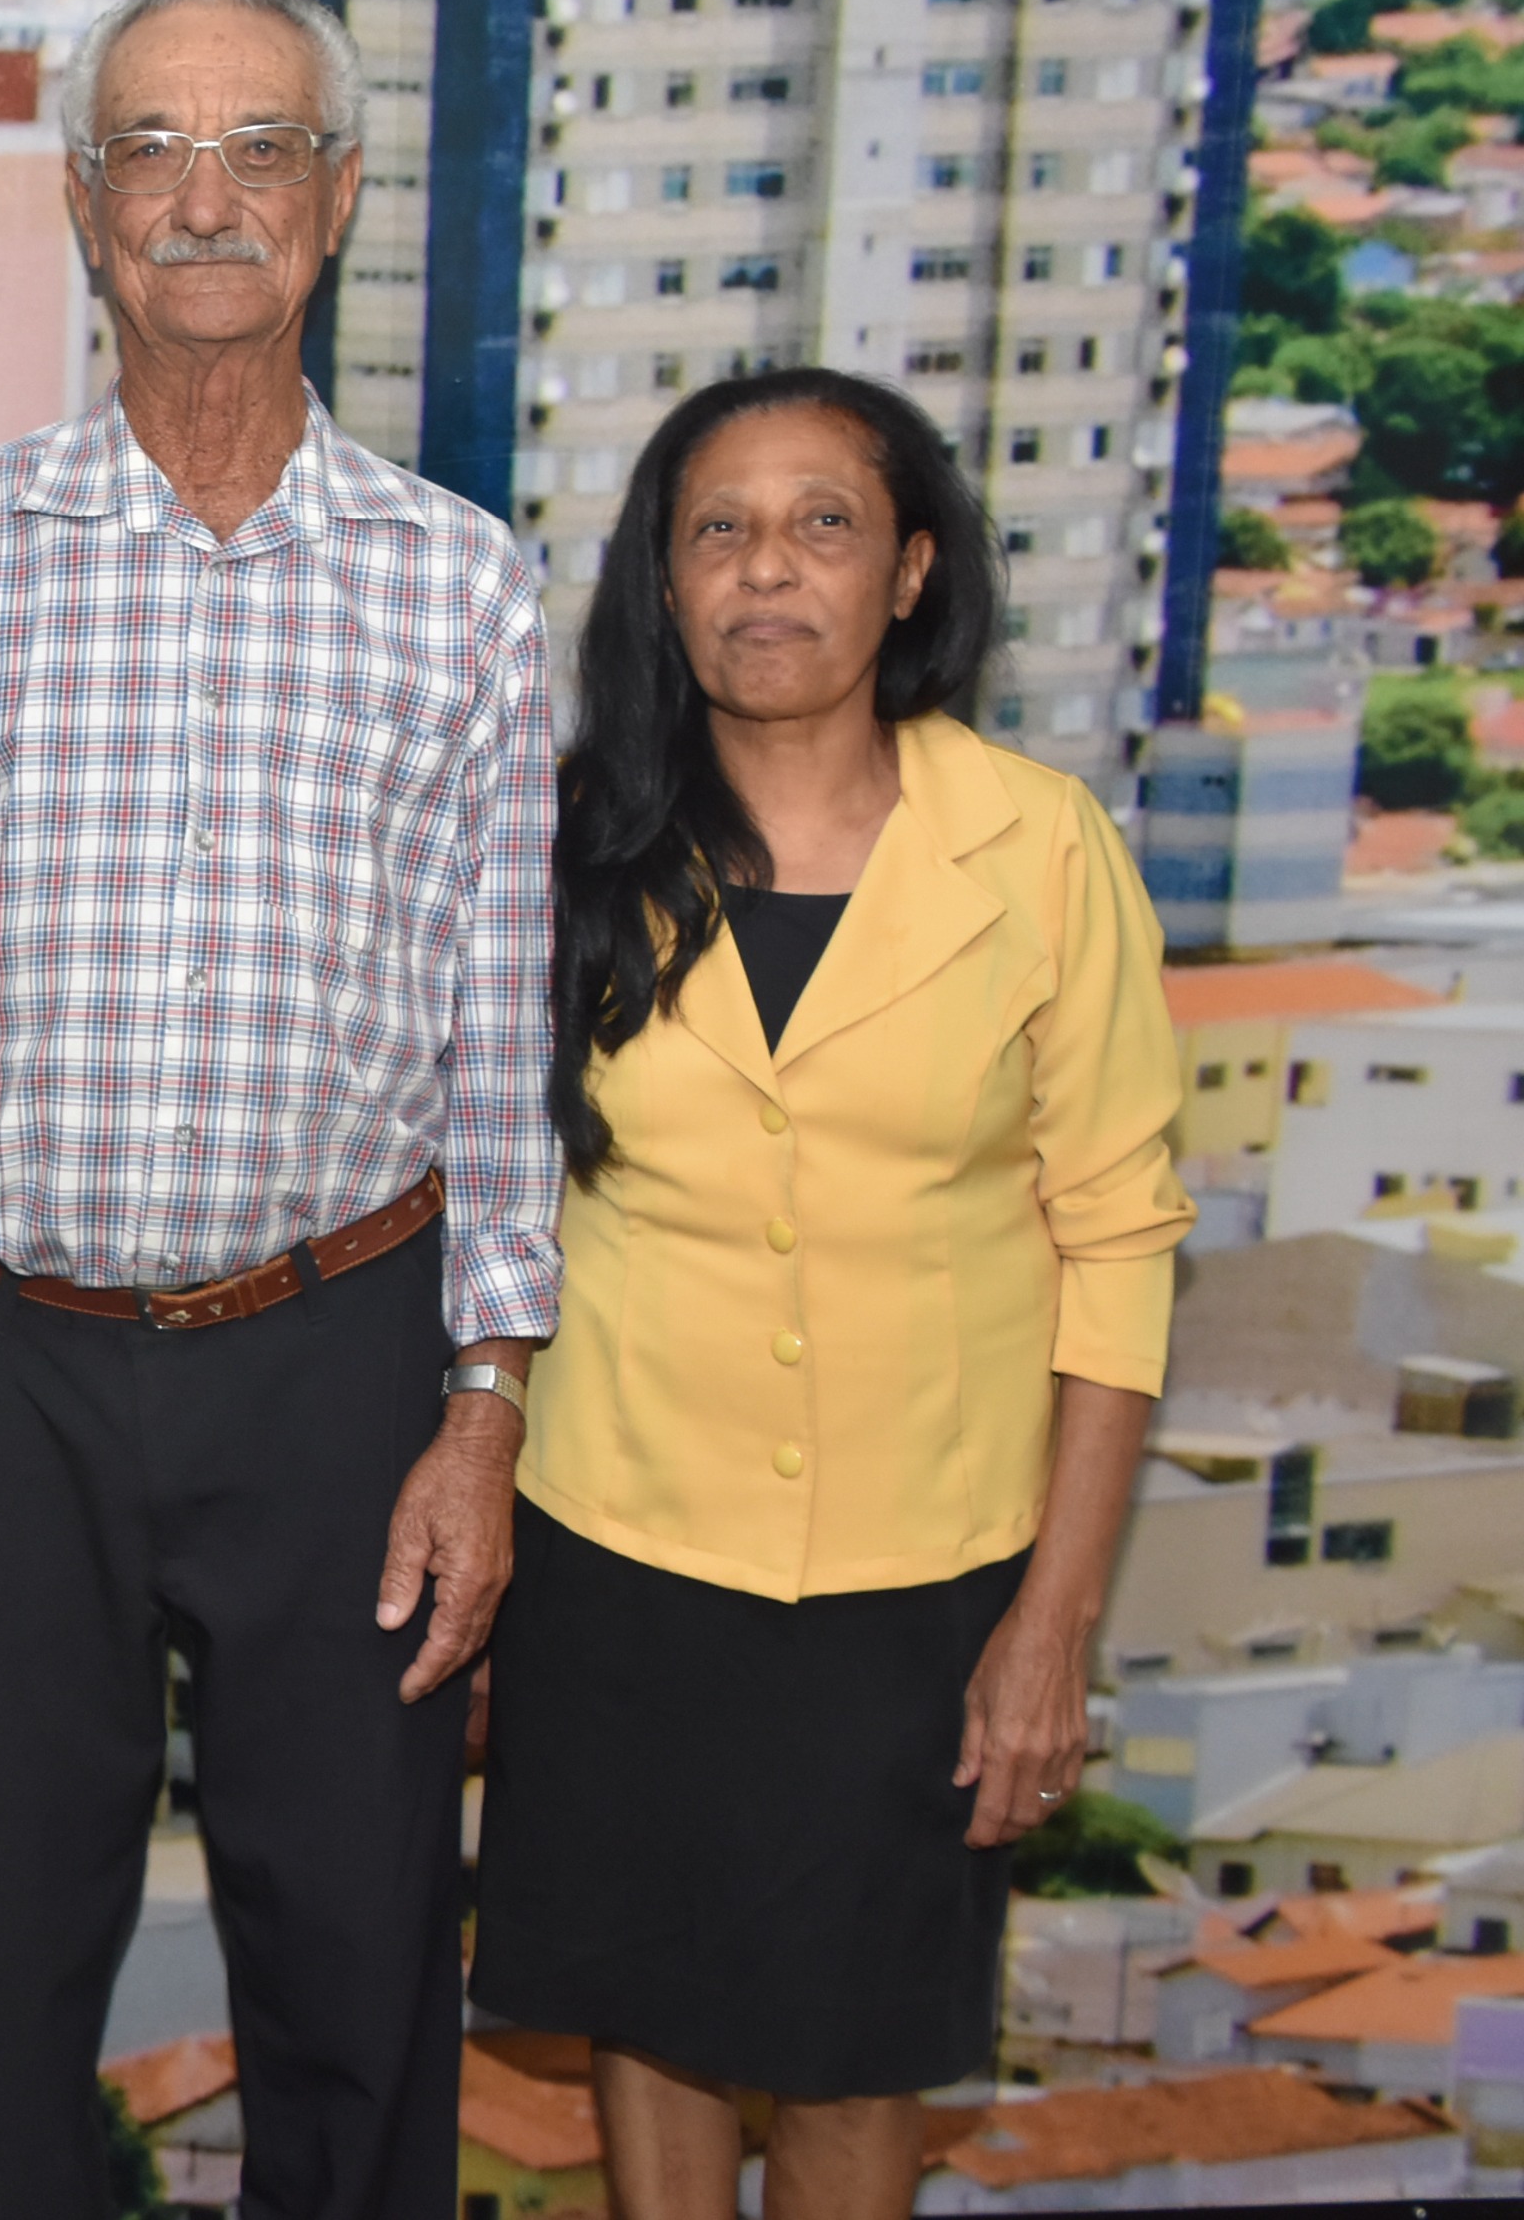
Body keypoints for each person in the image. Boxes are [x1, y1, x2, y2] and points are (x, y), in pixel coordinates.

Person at [0, 0, 559, 2220]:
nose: (205, 196)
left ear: (336, 196)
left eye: (260, 148)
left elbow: (502, 1031)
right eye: (150, 147)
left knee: (356, 1971)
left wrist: (484, 1408)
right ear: (82, 203)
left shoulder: (461, 587)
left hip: (342, 1361)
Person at [469, 369, 1190, 2220]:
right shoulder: (562, 846)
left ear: (910, 572)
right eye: (718, 529)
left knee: (857, 2055)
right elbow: (483, 1203)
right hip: (620, 1553)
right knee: (651, 2027)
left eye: (824, 525)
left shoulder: (1041, 847)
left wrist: (1054, 1625)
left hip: (922, 1580)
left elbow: (1119, 1246)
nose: (767, 570)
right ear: (663, 581)